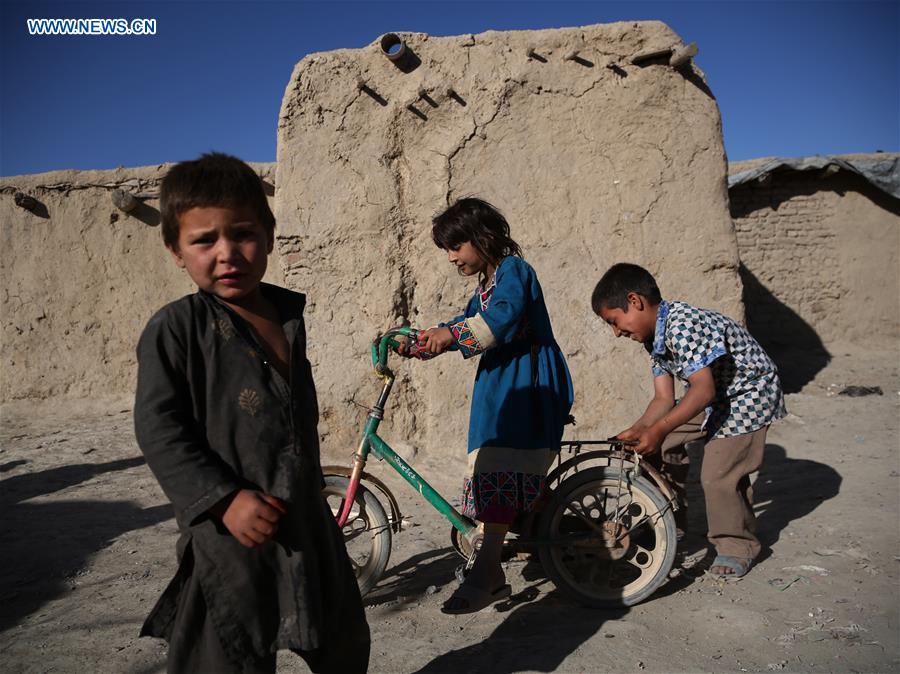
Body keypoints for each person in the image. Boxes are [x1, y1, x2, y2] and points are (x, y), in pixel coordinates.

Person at [133, 153, 369, 673]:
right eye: (203, 241)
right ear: (175, 250)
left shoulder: (286, 316)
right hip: (230, 533)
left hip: (305, 517)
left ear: (267, 233)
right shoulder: (177, 329)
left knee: (343, 640)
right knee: (228, 654)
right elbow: (158, 427)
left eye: (242, 234)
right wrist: (223, 500)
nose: (227, 254)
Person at [404, 197, 574, 613]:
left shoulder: (514, 272)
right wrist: (427, 343)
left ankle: (487, 574)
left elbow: (503, 317)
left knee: (499, 466)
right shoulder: (484, 287)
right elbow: (466, 327)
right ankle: (498, 560)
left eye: (456, 246)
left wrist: (449, 335)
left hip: (526, 382)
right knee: (493, 468)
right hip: (501, 383)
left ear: (484, 237)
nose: (451, 257)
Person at [591, 262, 786, 578]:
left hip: (747, 394)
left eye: (615, 321)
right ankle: (670, 520)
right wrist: (640, 429)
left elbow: (704, 389)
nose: (616, 332)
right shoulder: (653, 339)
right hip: (716, 395)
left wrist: (658, 428)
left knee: (719, 474)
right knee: (661, 444)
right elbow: (663, 399)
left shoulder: (683, 325)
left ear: (635, 301)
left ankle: (736, 545)